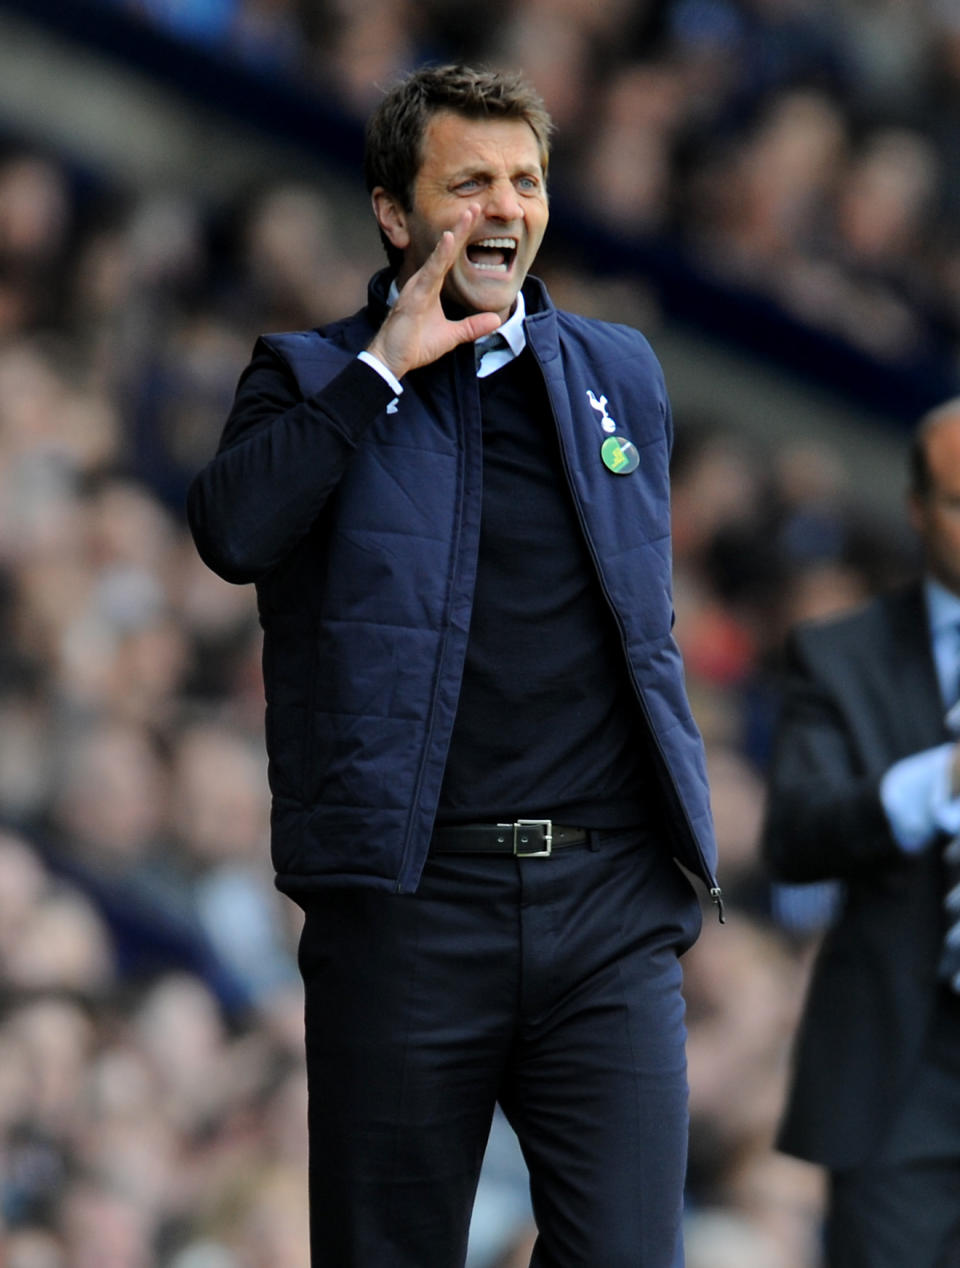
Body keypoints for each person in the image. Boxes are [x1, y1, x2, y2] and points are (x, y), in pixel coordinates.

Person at [187, 63, 721, 1268]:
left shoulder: (617, 371)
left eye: (525, 181)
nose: (505, 207)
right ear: (394, 211)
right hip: (413, 905)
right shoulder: (315, 374)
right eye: (468, 181)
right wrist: (385, 367)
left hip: (607, 904)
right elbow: (231, 533)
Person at [762, 398, 960, 1267]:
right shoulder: (842, 654)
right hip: (903, 1072)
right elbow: (798, 832)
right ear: (918, 509)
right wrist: (939, 782)